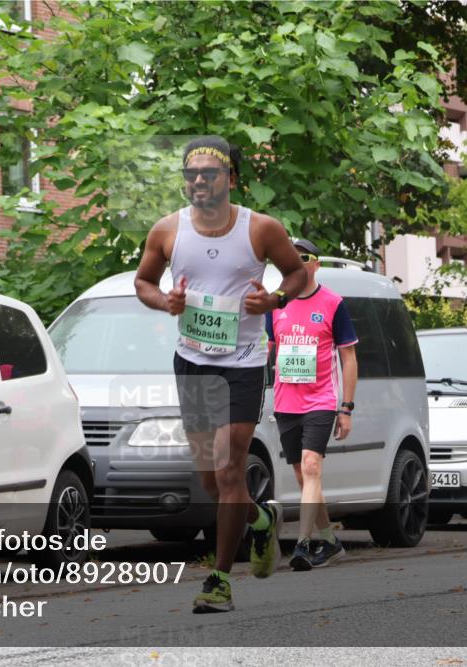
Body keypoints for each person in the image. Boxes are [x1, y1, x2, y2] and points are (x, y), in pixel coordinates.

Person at [134, 136, 308, 613]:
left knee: (231, 470)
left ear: (231, 179)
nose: (199, 182)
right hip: (191, 361)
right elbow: (144, 283)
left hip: (243, 362)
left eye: (210, 174)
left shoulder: (262, 229)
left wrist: (274, 300)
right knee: (211, 481)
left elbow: (297, 275)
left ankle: (219, 580)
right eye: (191, 174)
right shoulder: (167, 231)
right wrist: (165, 301)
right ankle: (259, 522)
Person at [264, 238, 358, 571]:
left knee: (311, 467)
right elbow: (269, 351)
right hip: (286, 401)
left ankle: (303, 544)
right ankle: (331, 543)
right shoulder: (277, 304)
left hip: (321, 399)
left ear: (315, 263)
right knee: (305, 478)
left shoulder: (333, 303)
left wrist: (346, 408)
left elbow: (348, 357)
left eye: (303, 257)